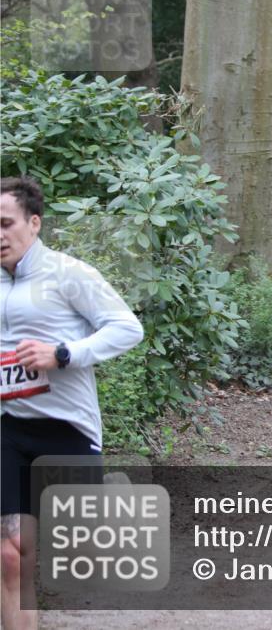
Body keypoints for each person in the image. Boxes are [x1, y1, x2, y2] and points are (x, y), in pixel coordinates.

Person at [1, 176, 144, 630]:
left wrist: (63, 354)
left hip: (67, 429)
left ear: (34, 223)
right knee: (10, 554)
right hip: (8, 429)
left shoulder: (69, 274)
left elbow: (127, 328)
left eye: (5, 223)